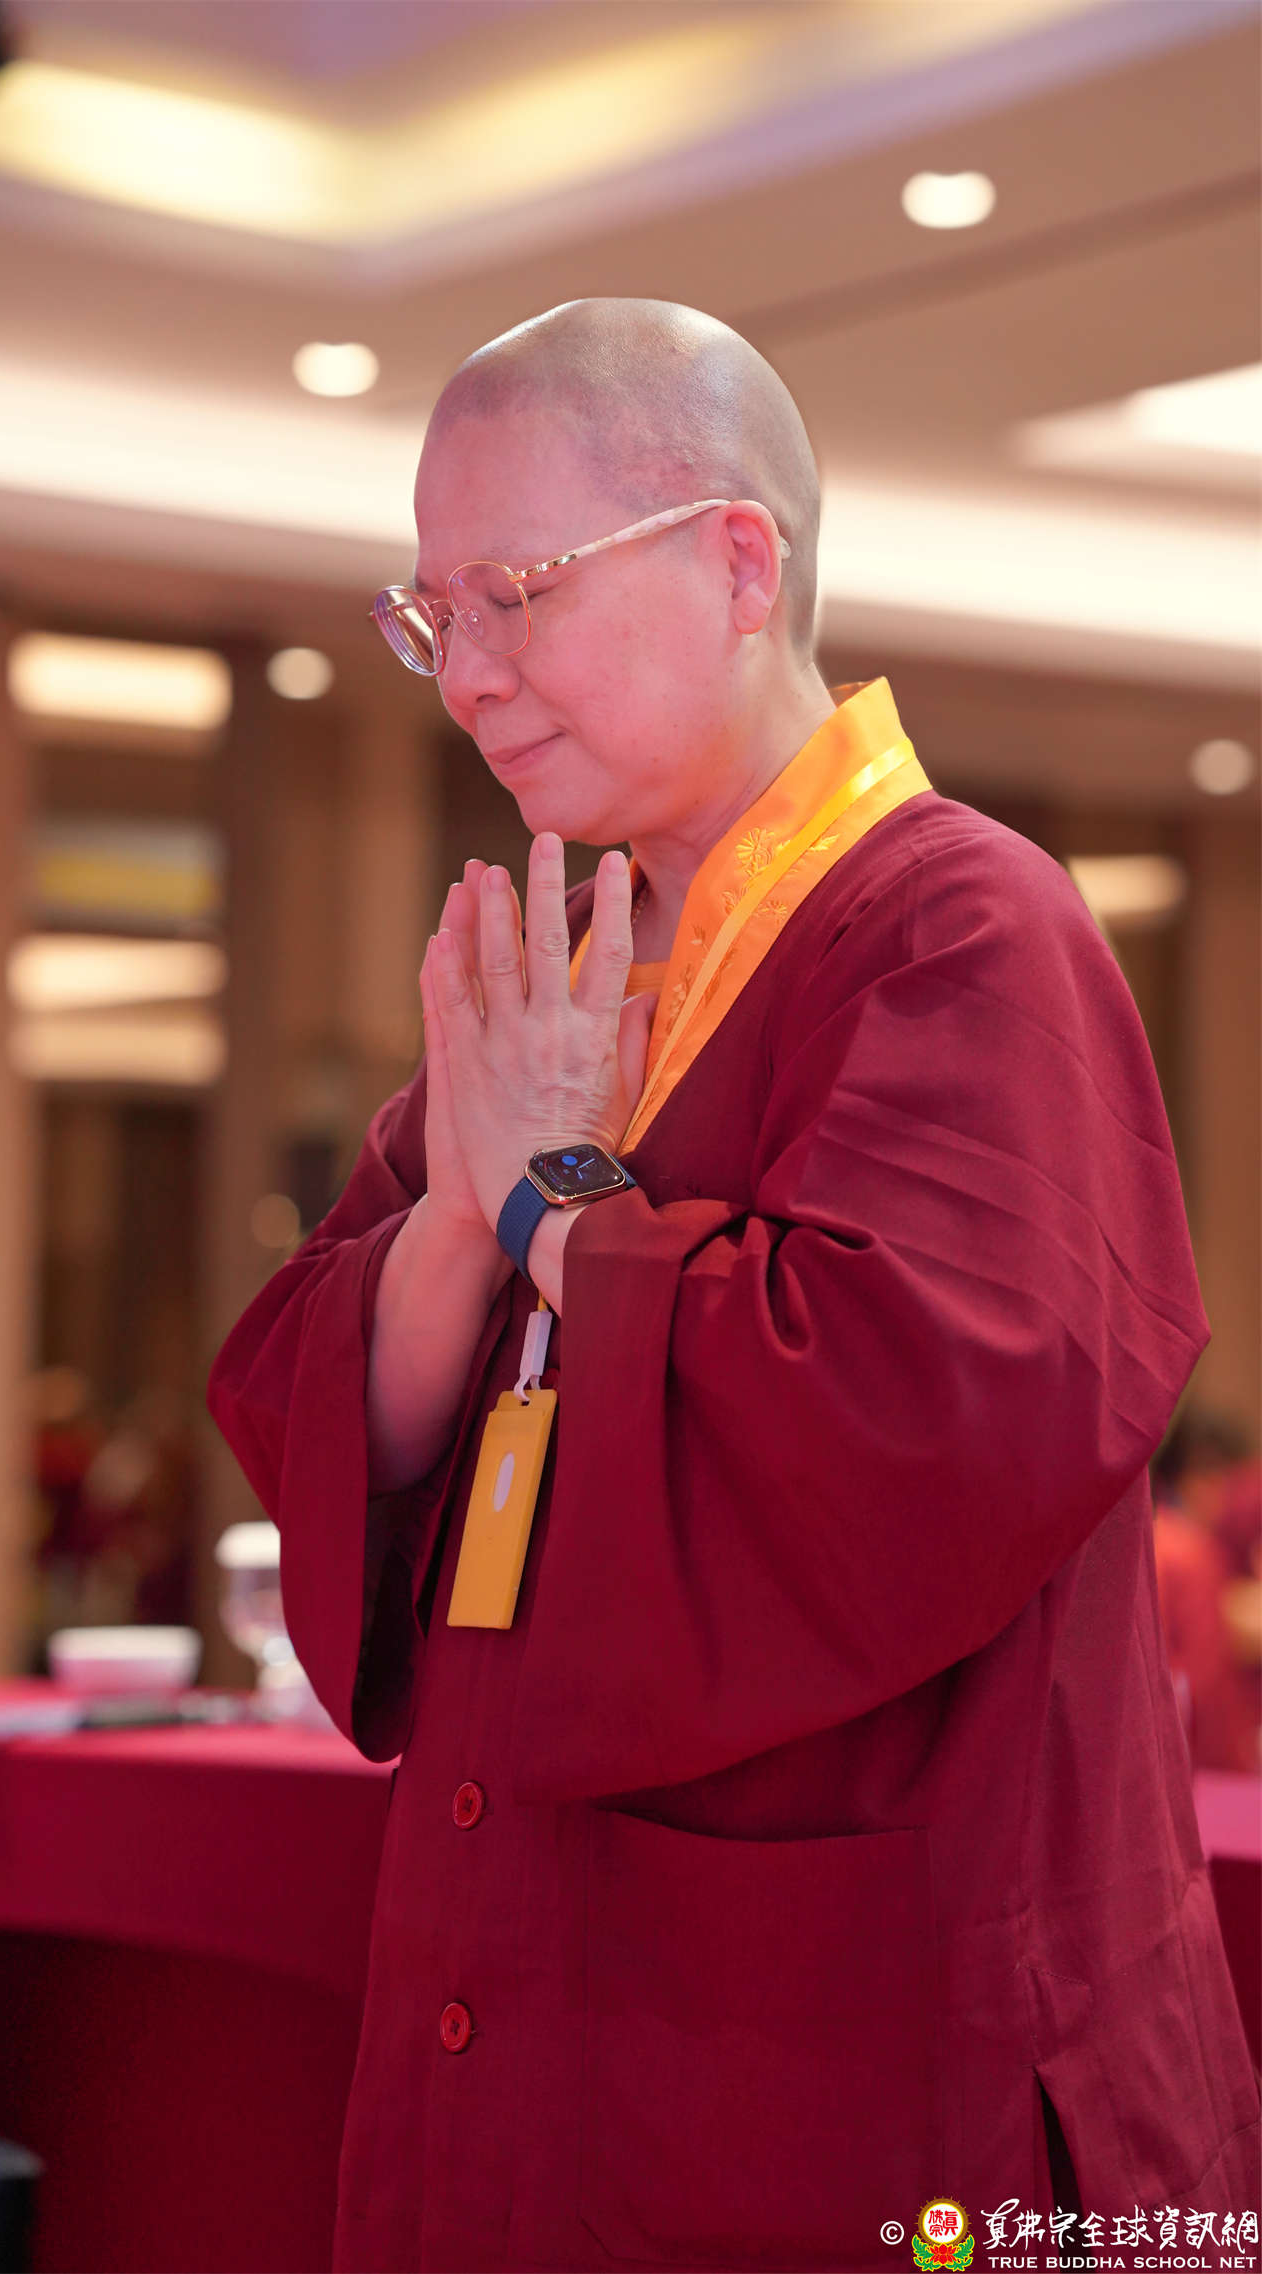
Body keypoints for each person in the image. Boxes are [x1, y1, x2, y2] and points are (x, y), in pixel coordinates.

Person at [207, 299, 1260, 2274]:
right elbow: (316, 1382)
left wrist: (550, 1201)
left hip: (842, 2036)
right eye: (435, 615)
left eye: (518, 592)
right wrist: (464, 1214)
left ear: (740, 562)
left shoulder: (963, 926)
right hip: (530, 1967)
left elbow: (907, 1416)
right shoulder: (578, 965)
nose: (471, 675)